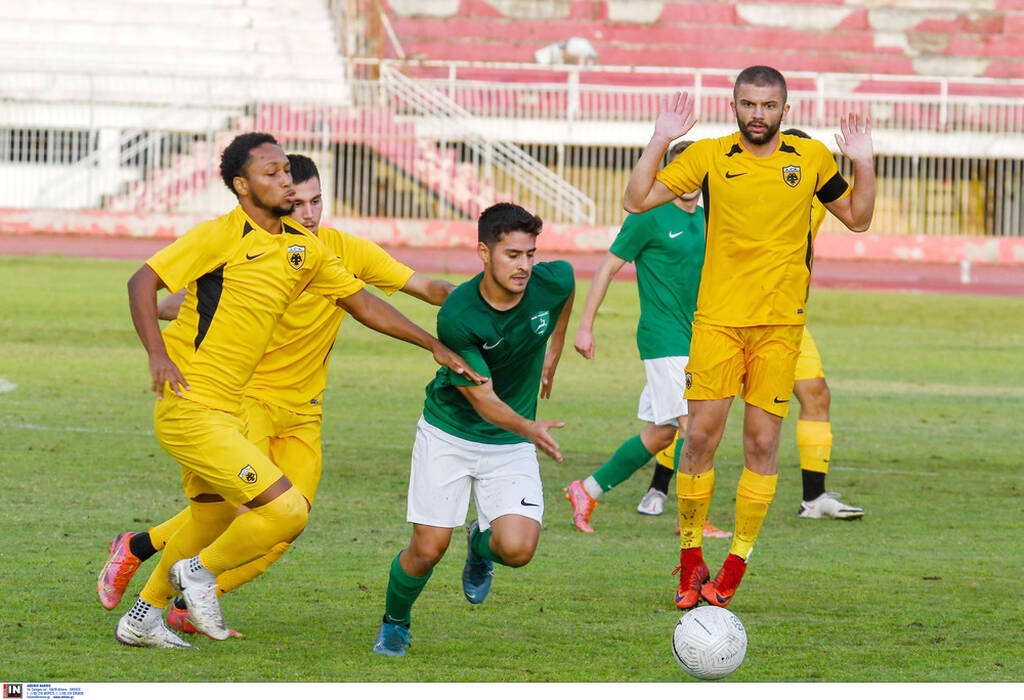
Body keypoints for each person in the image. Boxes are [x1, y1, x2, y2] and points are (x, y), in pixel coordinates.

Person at [114, 133, 483, 649]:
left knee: (212, 515)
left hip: (237, 409)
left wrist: (432, 345)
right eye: (271, 172)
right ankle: (197, 577)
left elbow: (363, 304)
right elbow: (141, 283)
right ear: (241, 185)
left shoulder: (303, 249)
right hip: (193, 408)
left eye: (286, 169)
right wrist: (157, 354)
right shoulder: (220, 235)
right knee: (286, 511)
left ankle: (140, 619)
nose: (284, 180)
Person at [622, 65, 875, 609]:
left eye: (767, 105)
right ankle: (691, 563)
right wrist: (661, 135)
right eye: (747, 104)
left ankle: (735, 565)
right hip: (716, 321)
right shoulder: (711, 155)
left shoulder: (810, 160)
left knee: (762, 444)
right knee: (699, 441)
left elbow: (857, 218)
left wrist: (865, 161)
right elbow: (636, 200)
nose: (757, 114)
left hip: (781, 328)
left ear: (786, 109)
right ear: (733, 105)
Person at [372, 203, 575, 657]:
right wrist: (530, 427)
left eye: (530, 254)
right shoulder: (459, 315)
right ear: (483, 252)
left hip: (508, 443)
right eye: (512, 255)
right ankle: (395, 623)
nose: (524, 266)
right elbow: (482, 398)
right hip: (450, 434)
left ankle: (479, 545)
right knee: (427, 549)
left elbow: (566, 294)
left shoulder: (553, 279)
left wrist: (554, 348)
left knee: (518, 549)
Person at [562, 140, 730, 540]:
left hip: (697, 339)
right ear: (667, 175)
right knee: (698, 431)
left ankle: (585, 490)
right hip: (664, 340)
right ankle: (693, 520)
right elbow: (606, 269)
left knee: (660, 433)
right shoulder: (648, 216)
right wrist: (585, 327)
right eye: (680, 171)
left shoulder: (706, 220)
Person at [782, 129, 865, 521]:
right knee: (699, 412)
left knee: (817, 396)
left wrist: (860, 160)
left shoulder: (815, 197)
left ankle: (813, 499)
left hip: (791, 318)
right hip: (734, 317)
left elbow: (858, 213)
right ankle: (660, 487)